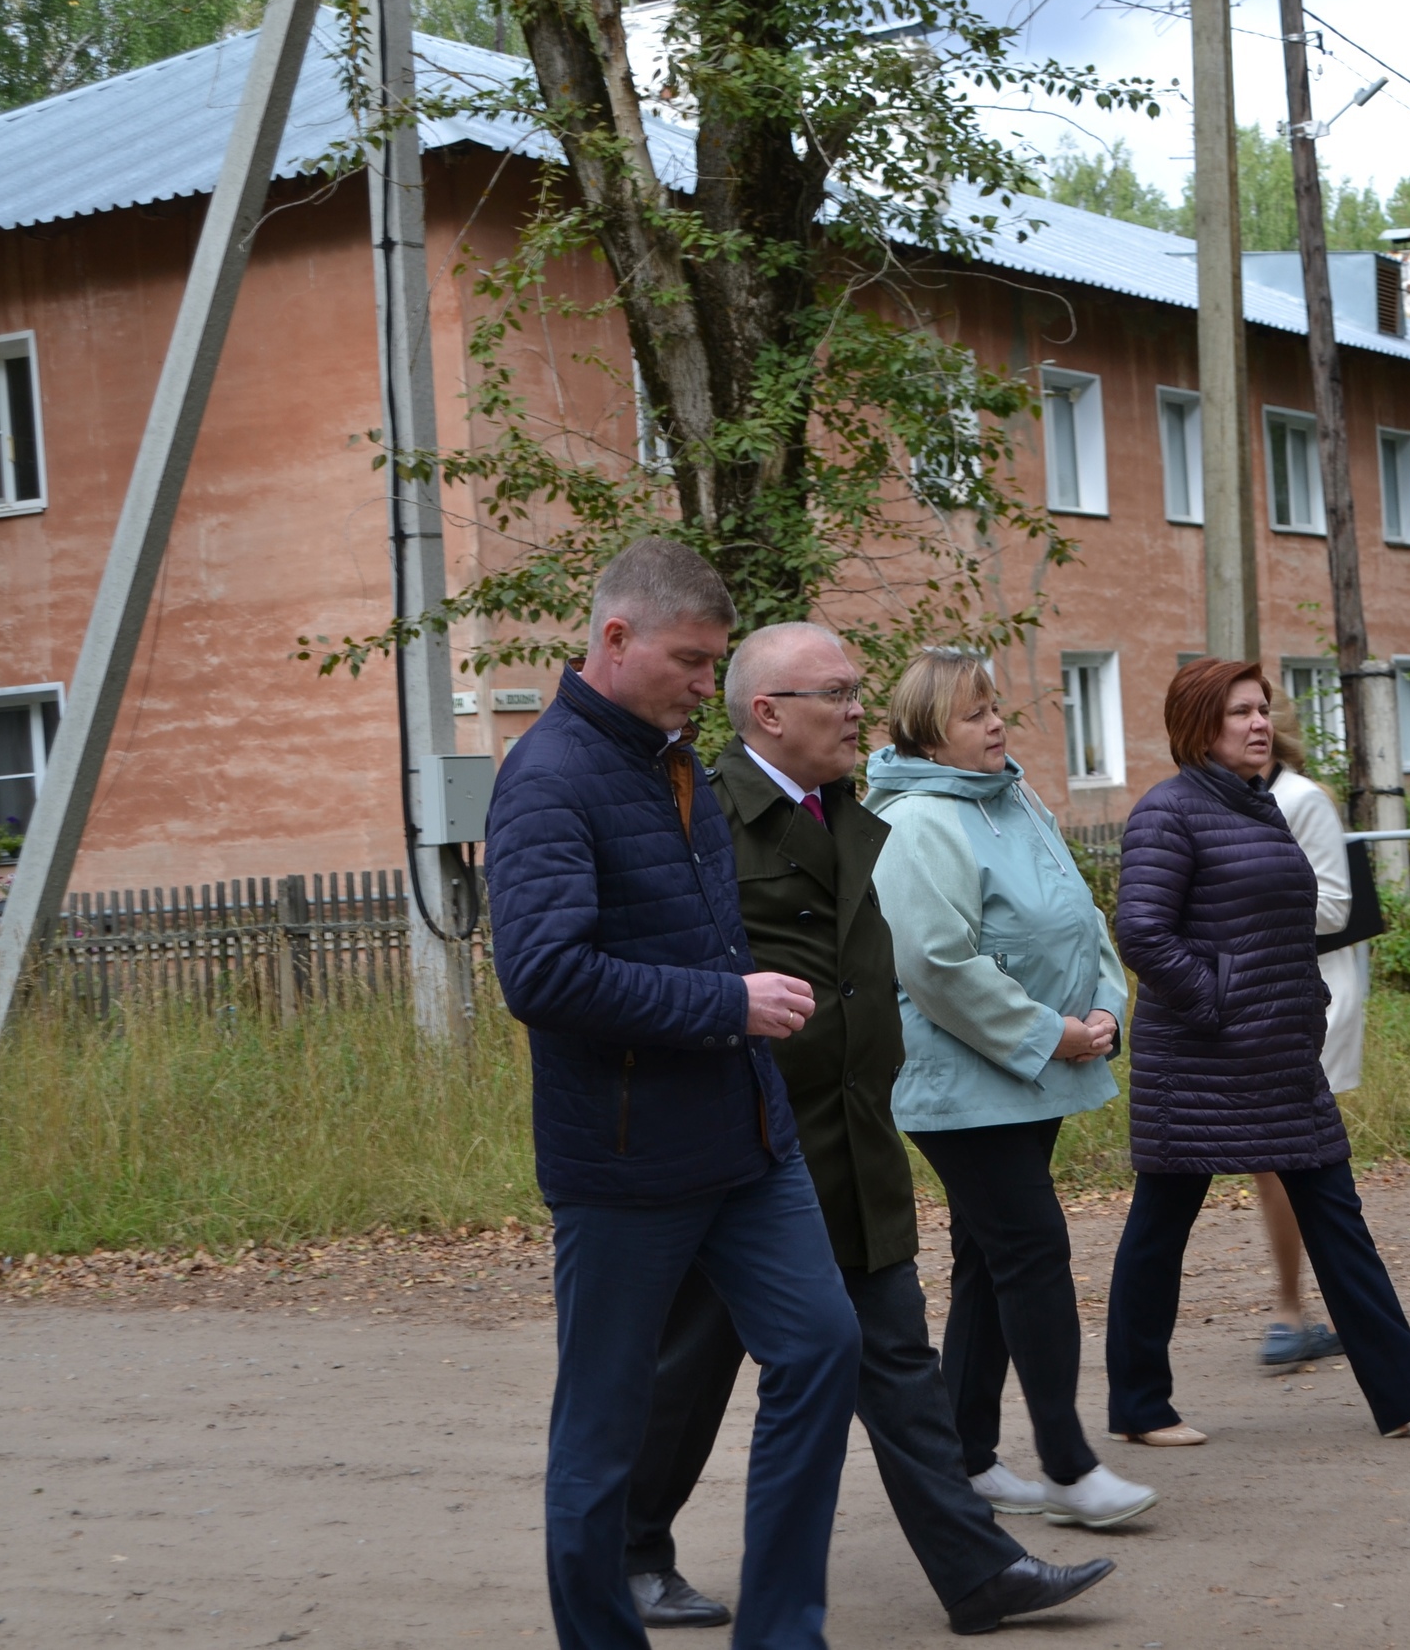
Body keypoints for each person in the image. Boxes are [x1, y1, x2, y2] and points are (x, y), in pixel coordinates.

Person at [621, 621, 1115, 1637]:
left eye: (857, 692)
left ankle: (977, 1575)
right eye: (836, 695)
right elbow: (656, 978)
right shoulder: (698, 816)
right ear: (769, 714)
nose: (860, 711)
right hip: (745, 1149)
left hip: (853, 1136)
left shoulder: (851, 811)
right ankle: (628, 1553)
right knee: (695, 1361)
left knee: (894, 1354)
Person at [486, 536, 860, 1650]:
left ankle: (782, 1631)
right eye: (692, 664)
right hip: (624, 1164)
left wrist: (737, 1021)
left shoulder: (677, 761)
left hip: (746, 1145)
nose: (709, 687)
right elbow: (540, 976)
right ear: (615, 638)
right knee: (601, 1434)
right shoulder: (547, 776)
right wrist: (725, 1005)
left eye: (714, 666)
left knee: (822, 1348)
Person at [1105, 658, 1410, 1444]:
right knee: (1158, 1231)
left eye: (1263, 708)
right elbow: (1141, 930)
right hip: (1201, 1063)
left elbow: (1291, 920)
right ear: (1198, 725)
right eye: (1240, 711)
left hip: (1279, 1053)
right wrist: (1219, 999)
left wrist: (1297, 1002)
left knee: (1338, 1219)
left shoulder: (1260, 805)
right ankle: (1140, 1406)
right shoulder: (1166, 813)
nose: (1259, 723)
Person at [863, 649, 1157, 1529]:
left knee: (991, 1260)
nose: (996, 724)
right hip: (963, 1083)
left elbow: (1082, 915)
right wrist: (1047, 1033)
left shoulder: (1016, 799)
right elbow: (935, 963)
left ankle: (966, 1454)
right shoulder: (916, 822)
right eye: (973, 713)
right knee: (1031, 1250)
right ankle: (1068, 1466)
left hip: (1036, 1072)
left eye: (995, 707)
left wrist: (1106, 1008)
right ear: (927, 734)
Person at [1249, 721, 1365, 1373]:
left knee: (1289, 1157)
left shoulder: (1300, 799)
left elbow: (1339, 906)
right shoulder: (1220, 801)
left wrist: (1246, 902)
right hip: (1256, 999)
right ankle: (1302, 1309)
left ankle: (1297, 1311)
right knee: (1282, 1158)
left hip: (1311, 992)